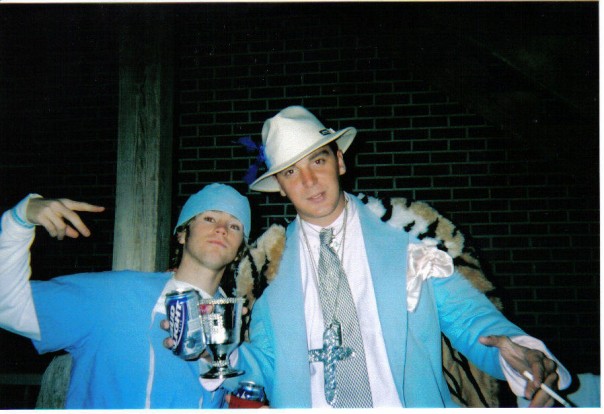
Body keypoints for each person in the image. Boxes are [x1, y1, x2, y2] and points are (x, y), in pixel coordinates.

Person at [202, 106, 572, 408]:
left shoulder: (408, 240)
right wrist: (214, 353)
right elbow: (265, 366)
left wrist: (523, 355)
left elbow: (470, 320)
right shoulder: (270, 274)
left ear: (340, 162)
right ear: (280, 187)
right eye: (291, 172)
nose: (309, 181)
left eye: (318, 160)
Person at [0, 183, 251, 408]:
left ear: (240, 250)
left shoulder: (236, 330)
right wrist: (19, 219)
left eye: (234, 226)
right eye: (209, 218)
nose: (221, 229)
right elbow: (9, 304)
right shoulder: (113, 296)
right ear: (183, 233)